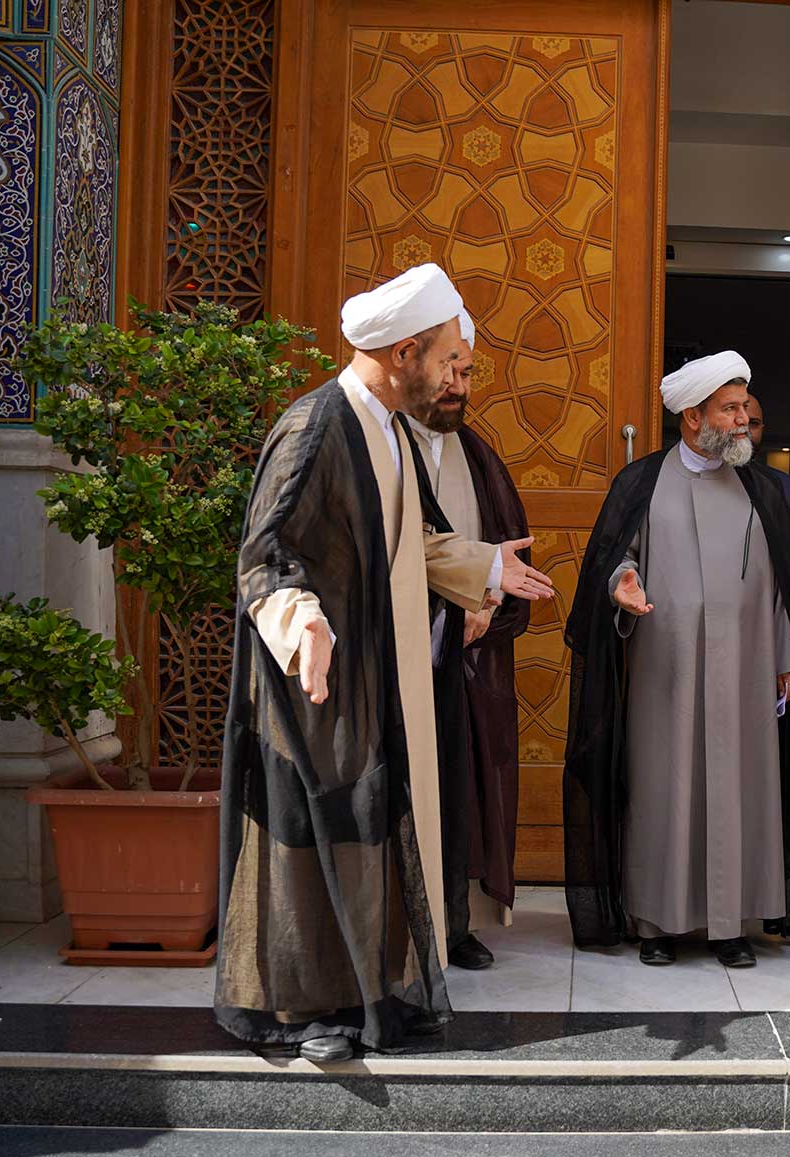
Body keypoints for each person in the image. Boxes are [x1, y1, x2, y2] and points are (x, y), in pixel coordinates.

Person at [214, 264, 556, 1062]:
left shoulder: (392, 430)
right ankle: (310, 1012)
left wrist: (487, 566)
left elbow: (420, 538)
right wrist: (304, 623)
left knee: (369, 839)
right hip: (320, 687)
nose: (454, 374)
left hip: (380, 680)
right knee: (317, 845)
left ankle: (366, 997)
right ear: (406, 354)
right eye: (447, 358)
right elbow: (266, 556)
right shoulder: (317, 426)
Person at [563, 351, 790, 968]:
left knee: (740, 792)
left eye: (743, 408)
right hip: (667, 670)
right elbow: (614, 559)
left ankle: (731, 925)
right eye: (729, 410)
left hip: (747, 670)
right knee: (664, 790)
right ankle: (656, 922)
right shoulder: (642, 483)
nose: (742, 420)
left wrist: (788, 655)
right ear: (692, 416)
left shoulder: (762, 489)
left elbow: (784, 585)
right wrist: (622, 583)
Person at [401, 316, 533, 974]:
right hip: (398, 658)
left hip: (465, 663)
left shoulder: (476, 455)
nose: (458, 384)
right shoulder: (383, 445)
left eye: (468, 371)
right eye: (448, 369)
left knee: (460, 793)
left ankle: (455, 923)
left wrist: (487, 605)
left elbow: (504, 554)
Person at [745, 392, 790, 508]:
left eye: (753, 423)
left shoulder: (785, 486)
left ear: (762, 429)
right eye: (736, 422)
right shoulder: (705, 479)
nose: (745, 430)